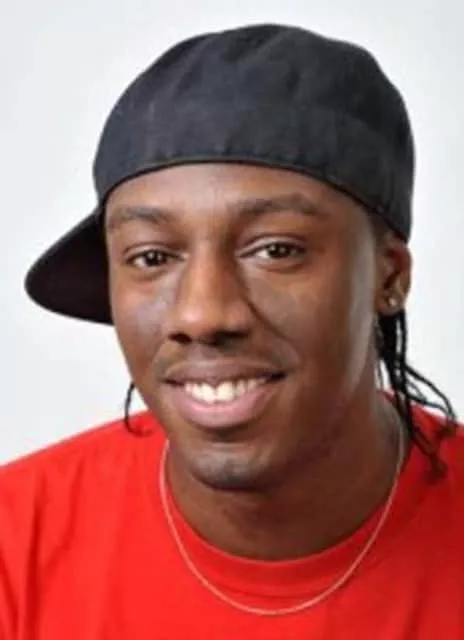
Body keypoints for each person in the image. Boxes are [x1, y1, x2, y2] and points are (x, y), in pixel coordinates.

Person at [1, 22, 462, 639]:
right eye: (151, 257)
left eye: (276, 250)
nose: (202, 315)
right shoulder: (15, 544)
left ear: (390, 276)